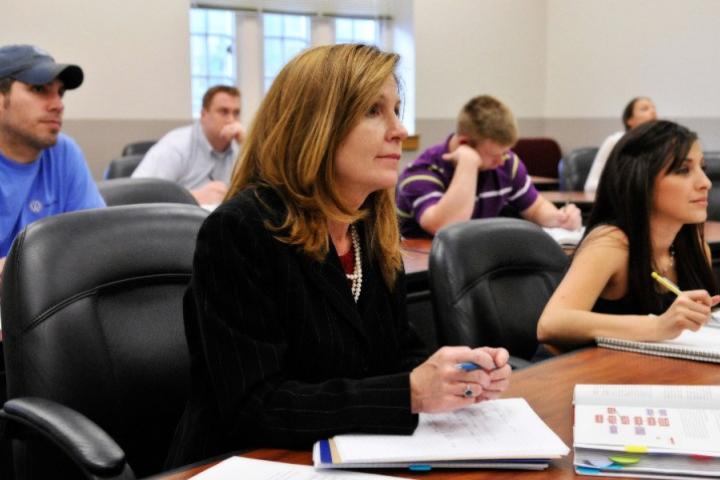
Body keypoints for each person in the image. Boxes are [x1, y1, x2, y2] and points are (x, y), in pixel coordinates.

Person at [166, 44, 512, 467]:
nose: (400, 130)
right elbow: (254, 406)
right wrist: (409, 392)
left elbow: (395, 353)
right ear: (316, 125)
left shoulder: (368, 226)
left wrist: (459, 375)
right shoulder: (240, 230)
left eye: (397, 109)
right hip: (246, 461)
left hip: (348, 453)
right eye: (373, 111)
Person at [537, 120, 719, 349]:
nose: (706, 183)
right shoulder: (612, 243)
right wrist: (658, 327)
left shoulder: (696, 247)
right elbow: (551, 324)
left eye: (702, 168)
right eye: (683, 170)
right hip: (587, 376)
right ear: (642, 180)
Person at [396, 95, 581, 238]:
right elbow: (445, 227)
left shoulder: (507, 161)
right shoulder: (421, 172)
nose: (502, 161)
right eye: (494, 155)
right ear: (464, 143)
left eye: (505, 152)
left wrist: (559, 218)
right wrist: (467, 164)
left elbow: (535, 208)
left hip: (472, 264)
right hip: (423, 277)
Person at [0, 44, 104, 283]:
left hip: (44, 304)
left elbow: (96, 243)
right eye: (38, 89)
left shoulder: (63, 152)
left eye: (60, 92)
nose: (58, 104)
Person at [131, 85, 245, 205]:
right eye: (223, 112)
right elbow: (137, 195)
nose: (231, 120)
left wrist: (247, 145)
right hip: (180, 220)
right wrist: (190, 198)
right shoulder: (176, 145)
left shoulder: (240, 146)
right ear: (203, 114)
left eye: (236, 113)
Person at [584, 96, 657, 193]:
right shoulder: (614, 141)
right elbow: (591, 185)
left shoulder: (661, 144)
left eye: (653, 108)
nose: (653, 112)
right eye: (644, 109)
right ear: (629, 120)